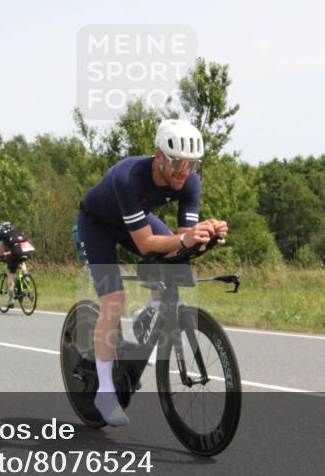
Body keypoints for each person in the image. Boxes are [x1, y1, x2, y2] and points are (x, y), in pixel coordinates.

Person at [74, 119, 228, 426]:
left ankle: (153, 308)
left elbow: (182, 242)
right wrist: (185, 237)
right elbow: (145, 245)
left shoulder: (190, 182)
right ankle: (105, 391)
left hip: (137, 219)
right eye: (177, 164)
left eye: (192, 165)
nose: (184, 172)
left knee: (174, 254)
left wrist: (204, 234)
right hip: (98, 226)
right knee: (114, 299)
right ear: (159, 156)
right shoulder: (128, 177)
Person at [0, 221, 35, 309]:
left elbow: (1, 251)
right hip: (28, 249)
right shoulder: (17, 232)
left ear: (1, 229)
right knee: (21, 259)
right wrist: (7, 253)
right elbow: (17, 247)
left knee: (10, 275)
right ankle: (26, 274)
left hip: (17, 250)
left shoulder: (2, 235)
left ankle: (11, 300)